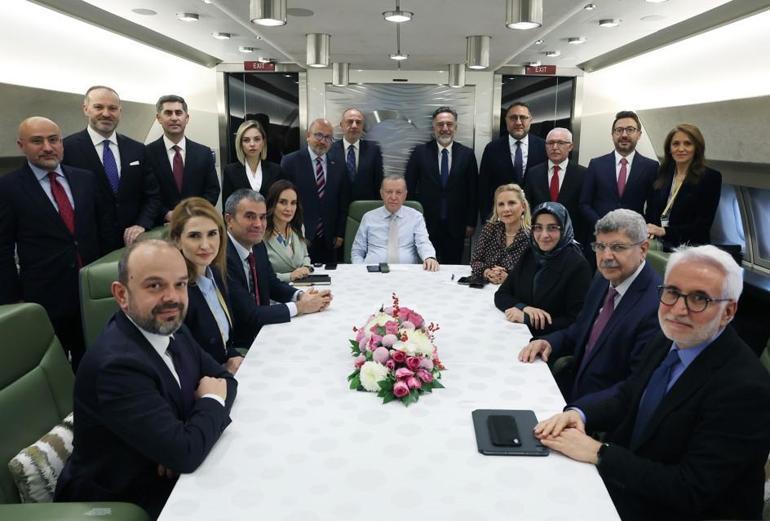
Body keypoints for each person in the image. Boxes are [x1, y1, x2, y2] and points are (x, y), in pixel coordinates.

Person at [534, 245, 770, 521]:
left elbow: (690, 489)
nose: (678, 310)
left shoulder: (746, 389)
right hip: (633, 486)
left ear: (728, 312)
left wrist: (599, 453)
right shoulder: (668, 337)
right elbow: (629, 395)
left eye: (699, 298)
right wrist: (580, 413)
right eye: (672, 292)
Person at [55, 240, 237, 520]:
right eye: (154, 285)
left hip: (167, 474)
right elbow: (186, 452)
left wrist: (181, 437)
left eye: (180, 284)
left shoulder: (173, 328)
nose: (172, 297)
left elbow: (226, 380)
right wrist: (209, 402)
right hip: (122, 501)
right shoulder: (116, 366)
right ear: (122, 294)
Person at [0, 116, 113, 369]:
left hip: (91, 293)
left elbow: (103, 230)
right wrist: (12, 299)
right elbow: (2, 248)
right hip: (44, 298)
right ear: (21, 146)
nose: (47, 147)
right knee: (55, 367)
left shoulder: (85, 179)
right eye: (37, 141)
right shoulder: (7, 188)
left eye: (53, 140)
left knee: (98, 360)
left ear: (61, 142)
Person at [518, 209, 661, 406]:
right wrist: (549, 342)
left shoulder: (655, 305)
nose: (606, 256)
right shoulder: (603, 279)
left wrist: (580, 412)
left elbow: (634, 386)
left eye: (618, 247)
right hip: (572, 388)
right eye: (600, 246)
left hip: (600, 411)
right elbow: (580, 330)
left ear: (643, 249)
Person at [224, 189, 332, 347]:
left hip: (264, 330)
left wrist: (301, 296)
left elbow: (271, 283)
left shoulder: (257, 246)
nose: (258, 224)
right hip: (239, 345)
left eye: (262, 217)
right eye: (250, 216)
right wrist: (301, 307)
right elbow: (250, 314)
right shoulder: (222, 257)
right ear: (229, 220)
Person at [63, 85, 161, 247]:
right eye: (98, 107)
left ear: (120, 112)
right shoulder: (67, 149)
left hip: (133, 242)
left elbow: (153, 195)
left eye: (112, 108)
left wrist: (142, 224)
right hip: (89, 245)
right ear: (86, 109)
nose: (106, 113)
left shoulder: (137, 149)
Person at [168, 197, 243, 374]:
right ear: (177, 240)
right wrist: (222, 370)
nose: (205, 245)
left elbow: (223, 340)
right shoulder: (175, 292)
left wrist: (233, 357)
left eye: (212, 234)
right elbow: (180, 359)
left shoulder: (215, 274)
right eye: (194, 236)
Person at [495, 202, 590, 336]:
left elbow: (575, 322)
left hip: (547, 342)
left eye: (552, 228)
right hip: (516, 332)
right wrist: (524, 308)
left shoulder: (577, 266)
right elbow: (501, 294)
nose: (544, 235)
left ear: (564, 229)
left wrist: (528, 319)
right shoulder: (530, 253)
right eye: (538, 228)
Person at [405, 106, 478, 264]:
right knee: (426, 268)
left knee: (453, 267)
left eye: (449, 124)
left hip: (456, 225)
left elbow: (473, 191)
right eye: (440, 124)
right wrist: (410, 220)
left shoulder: (467, 154)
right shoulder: (420, 152)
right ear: (434, 127)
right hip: (425, 225)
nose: (445, 128)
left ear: (455, 127)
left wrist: (471, 222)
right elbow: (409, 188)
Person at [579, 110, 659, 243]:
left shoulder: (651, 167)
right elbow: (584, 204)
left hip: (633, 239)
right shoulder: (596, 164)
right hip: (599, 238)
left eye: (630, 130)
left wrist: (642, 229)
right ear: (612, 135)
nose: (624, 135)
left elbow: (653, 207)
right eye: (619, 130)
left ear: (639, 134)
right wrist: (601, 225)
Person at [281, 118, 351, 263]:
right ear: (308, 135)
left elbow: (343, 203)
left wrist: (340, 233)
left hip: (329, 238)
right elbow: (282, 202)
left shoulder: (339, 165)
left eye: (328, 138)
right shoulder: (290, 162)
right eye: (318, 135)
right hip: (299, 235)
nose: (323, 141)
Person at [145, 95, 220, 224]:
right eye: (168, 113)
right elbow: (145, 192)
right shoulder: (146, 153)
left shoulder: (204, 153)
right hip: (161, 225)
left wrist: (194, 212)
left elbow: (212, 190)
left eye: (178, 113)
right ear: (159, 118)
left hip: (197, 221)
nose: (174, 118)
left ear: (187, 118)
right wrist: (166, 214)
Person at [646, 124, 722, 248]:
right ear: (669, 149)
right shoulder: (661, 173)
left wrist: (664, 231)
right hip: (657, 244)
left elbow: (702, 226)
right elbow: (650, 212)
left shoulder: (710, 178)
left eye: (688, 144)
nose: (681, 149)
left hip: (690, 248)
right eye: (676, 144)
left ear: (697, 148)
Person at [351, 174, 439, 271]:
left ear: (405, 195)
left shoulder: (416, 217)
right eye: (389, 192)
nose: (393, 197)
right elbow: (357, 251)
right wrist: (360, 270)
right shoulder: (368, 217)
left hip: (407, 272)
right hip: (373, 272)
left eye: (398, 192)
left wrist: (429, 257)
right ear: (381, 193)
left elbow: (423, 242)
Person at [479, 102, 547, 219]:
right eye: (513, 118)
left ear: (530, 120)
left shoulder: (543, 147)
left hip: (534, 218)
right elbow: (484, 187)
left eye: (523, 117)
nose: (518, 122)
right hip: (501, 217)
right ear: (506, 120)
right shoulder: (492, 149)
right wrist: (487, 219)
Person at [525, 127, 588, 245]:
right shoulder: (533, 173)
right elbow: (528, 206)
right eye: (550, 143)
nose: (554, 147)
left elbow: (584, 211)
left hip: (572, 240)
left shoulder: (583, 174)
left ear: (570, 146)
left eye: (560, 143)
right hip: (540, 239)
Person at [469, 183, 531, 284]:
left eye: (511, 203)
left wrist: (509, 278)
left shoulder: (533, 236)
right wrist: (487, 272)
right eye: (501, 204)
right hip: (486, 287)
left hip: (517, 290)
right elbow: (475, 261)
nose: (506, 209)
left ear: (523, 206)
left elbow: (535, 272)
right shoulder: (490, 229)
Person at [328, 107, 385, 201]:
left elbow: (379, 183)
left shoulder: (374, 150)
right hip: (337, 206)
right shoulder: (330, 150)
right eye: (350, 121)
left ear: (362, 126)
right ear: (342, 125)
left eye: (358, 122)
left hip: (365, 206)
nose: (354, 125)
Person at [222, 119, 283, 204]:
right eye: (246, 140)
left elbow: (279, 202)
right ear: (240, 144)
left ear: (263, 142)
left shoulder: (276, 170)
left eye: (257, 139)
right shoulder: (230, 171)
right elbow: (227, 205)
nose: (252, 144)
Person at [264, 180, 313, 282]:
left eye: (293, 203)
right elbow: (261, 275)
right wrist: (290, 276)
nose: (289, 209)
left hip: (302, 285)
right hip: (276, 290)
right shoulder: (261, 234)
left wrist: (306, 267)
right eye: (283, 202)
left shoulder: (298, 227)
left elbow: (305, 256)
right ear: (272, 204)